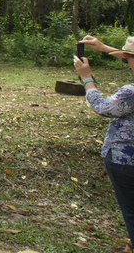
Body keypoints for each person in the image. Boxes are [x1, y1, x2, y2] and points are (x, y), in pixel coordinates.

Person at [75, 35, 134, 253]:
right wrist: (103, 48)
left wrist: (87, 78)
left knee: (131, 210)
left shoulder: (130, 92)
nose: (126, 63)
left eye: (128, 59)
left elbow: (101, 107)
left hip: (126, 160)